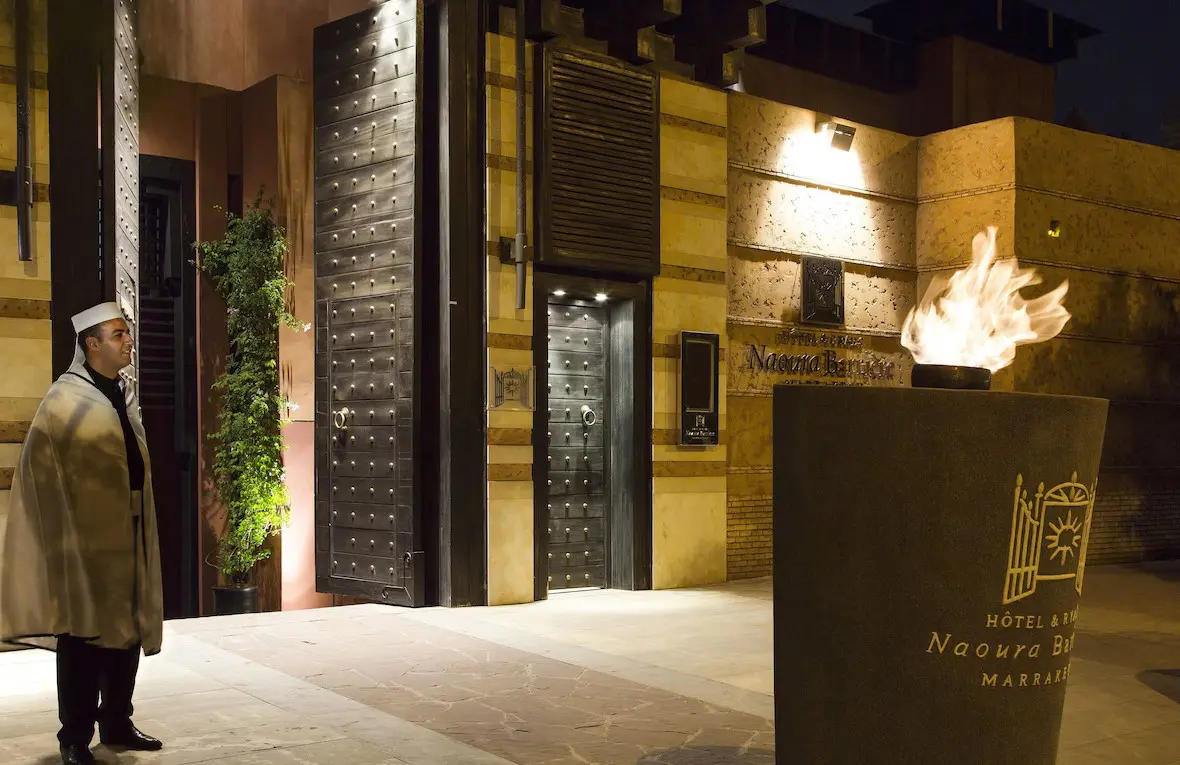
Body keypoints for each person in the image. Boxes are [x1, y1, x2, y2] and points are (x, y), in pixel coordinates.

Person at [0, 302, 165, 765]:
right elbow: (39, 472)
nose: (128, 341)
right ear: (91, 345)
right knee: (83, 636)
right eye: (118, 335)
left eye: (126, 333)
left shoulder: (123, 395)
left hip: (128, 531)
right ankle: (74, 735)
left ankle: (117, 721)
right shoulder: (64, 401)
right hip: (83, 540)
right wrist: (61, 534)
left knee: (126, 628)